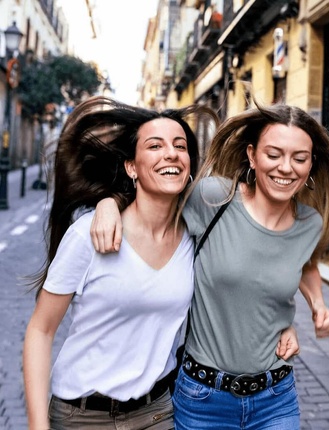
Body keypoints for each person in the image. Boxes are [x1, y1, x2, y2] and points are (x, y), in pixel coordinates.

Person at [23, 96, 299, 430]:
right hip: (81, 417)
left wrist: (282, 320)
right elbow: (41, 330)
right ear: (131, 167)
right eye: (155, 145)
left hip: (157, 414)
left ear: (189, 166)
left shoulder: (196, 236)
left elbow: (248, 275)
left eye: (180, 146)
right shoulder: (89, 235)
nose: (171, 153)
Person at [91, 101, 329, 429]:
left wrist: (317, 304)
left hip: (276, 398)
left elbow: (304, 263)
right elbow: (155, 203)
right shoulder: (213, 199)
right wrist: (108, 203)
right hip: (203, 400)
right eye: (274, 154)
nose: (287, 167)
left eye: (300, 158)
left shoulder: (309, 223)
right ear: (252, 156)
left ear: (311, 164)